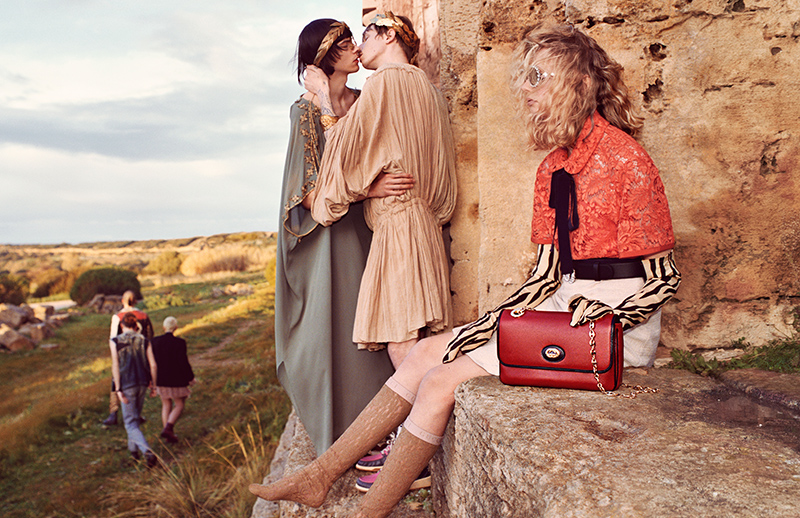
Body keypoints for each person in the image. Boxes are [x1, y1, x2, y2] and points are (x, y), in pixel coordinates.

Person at [250, 23, 681, 517]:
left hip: (615, 325)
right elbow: (545, 279)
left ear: (577, 83)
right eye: (525, 78)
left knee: (439, 383)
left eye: (537, 78)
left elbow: (664, 278)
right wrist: (482, 327)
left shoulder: (626, 159)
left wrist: (607, 319)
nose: (525, 91)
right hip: (562, 307)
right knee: (424, 352)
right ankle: (320, 475)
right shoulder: (552, 168)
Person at [276, 18, 414, 457]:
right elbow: (308, 191)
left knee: (378, 321)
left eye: (357, 39)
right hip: (328, 237)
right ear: (324, 55)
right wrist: (367, 189)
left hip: (372, 226)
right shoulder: (304, 112)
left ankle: (388, 427)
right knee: (339, 327)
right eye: (346, 42)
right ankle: (346, 434)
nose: (356, 48)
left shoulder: (363, 99)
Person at [305, 12, 457, 368]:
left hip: (398, 226)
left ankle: (414, 409)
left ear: (389, 36)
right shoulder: (430, 91)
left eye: (366, 36)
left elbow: (341, 150)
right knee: (420, 342)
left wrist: (323, 96)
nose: (359, 47)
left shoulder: (382, 84)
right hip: (425, 226)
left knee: (401, 340)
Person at [110, 312, 158, 468]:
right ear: (136, 325)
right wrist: (154, 384)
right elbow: (153, 365)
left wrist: (118, 388)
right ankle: (134, 452)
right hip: (142, 383)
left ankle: (147, 452)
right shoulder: (144, 340)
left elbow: (116, 366)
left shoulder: (115, 341)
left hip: (127, 384)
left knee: (130, 423)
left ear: (122, 325)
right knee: (134, 418)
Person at [102, 290, 154, 426]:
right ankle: (136, 413)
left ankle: (113, 412)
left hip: (123, 354)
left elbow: (113, 338)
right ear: (135, 301)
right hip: (142, 352)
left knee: (117, 382)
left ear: (122, 301)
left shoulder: (118, 317)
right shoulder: (143, 315)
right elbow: (150, 335)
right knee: (139, 381)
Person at [150, 316, 194, 444]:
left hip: (161, 379)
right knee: (179, 404)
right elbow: (183, 362)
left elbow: (152, 362)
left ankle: (168, 435)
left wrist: (151, 379)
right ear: (176, 328)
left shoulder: (155, 342)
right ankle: (169, 428)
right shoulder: (180, 343)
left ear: (164, 327)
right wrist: (190, 377)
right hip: (176, 379)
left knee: (166, 404)